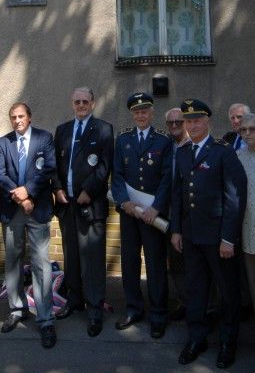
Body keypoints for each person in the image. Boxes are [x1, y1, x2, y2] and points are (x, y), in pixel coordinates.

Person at [171, 99, 247, 368]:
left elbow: (235, 198)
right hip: (191, 235)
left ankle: (228, 342)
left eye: (197, 120)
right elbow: (179, 194)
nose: (192, 125)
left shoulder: (222, 152)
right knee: (196, 289)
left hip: (217, 238)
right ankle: (197, 337)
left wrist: (228, 238)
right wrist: (177, 230)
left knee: (227, 291)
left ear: (208, 122)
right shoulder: (182, 153)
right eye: (188, 121)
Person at [0, 102, 57, 348]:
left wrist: (29, 192)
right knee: (13, 259)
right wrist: (19, 196)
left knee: (41, 263)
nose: (17, 120)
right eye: (13, 117)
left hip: (37, 208)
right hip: (12, 209)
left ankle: (45, 317)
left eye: (21, 116)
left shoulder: (44, 138)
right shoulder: (3, 142)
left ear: (29, 118)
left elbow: (49, 169)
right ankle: (17, 309)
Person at [53, 86, 114, 337]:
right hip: (67, 204)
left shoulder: (103, 129)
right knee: (72, 256)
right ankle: (75, 300)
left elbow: (105, 164)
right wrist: (57, 188)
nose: (80, 105)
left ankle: (95, 309)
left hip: (90, 204)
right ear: (72, 103)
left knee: (93, 260)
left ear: (93, 103)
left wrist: (89, 190)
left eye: (85, 101)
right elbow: (54, 163)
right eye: (77, 101)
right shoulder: (63, 130)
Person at [111, 92, 172, 339]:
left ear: (152, 113)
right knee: (129, 262)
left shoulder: (163, 141)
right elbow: (117, 175)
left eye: (144, 111)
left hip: (151, 215)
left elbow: (167, 178)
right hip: (130, 214)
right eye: (136, 112)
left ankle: (158, 314)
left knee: (156, 264)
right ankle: (134, 308)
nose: (140, 115)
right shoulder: (123, 139)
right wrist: (123, 201)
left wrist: (156, 208)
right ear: (132, 114)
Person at [236, 112, 255, 351]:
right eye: (242, 130)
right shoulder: (238, 157)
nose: (247, 134)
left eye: (252, 129)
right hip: (249, 232)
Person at [165, 107, 190, 321]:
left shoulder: (194, 146)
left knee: (196, 264)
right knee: (176, 263)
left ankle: (206, 308)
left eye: (178, 122)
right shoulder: (168, 147)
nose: (174, 126)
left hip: (190, 215)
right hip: (169, 213)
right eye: (170, 123)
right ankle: (184, 301)